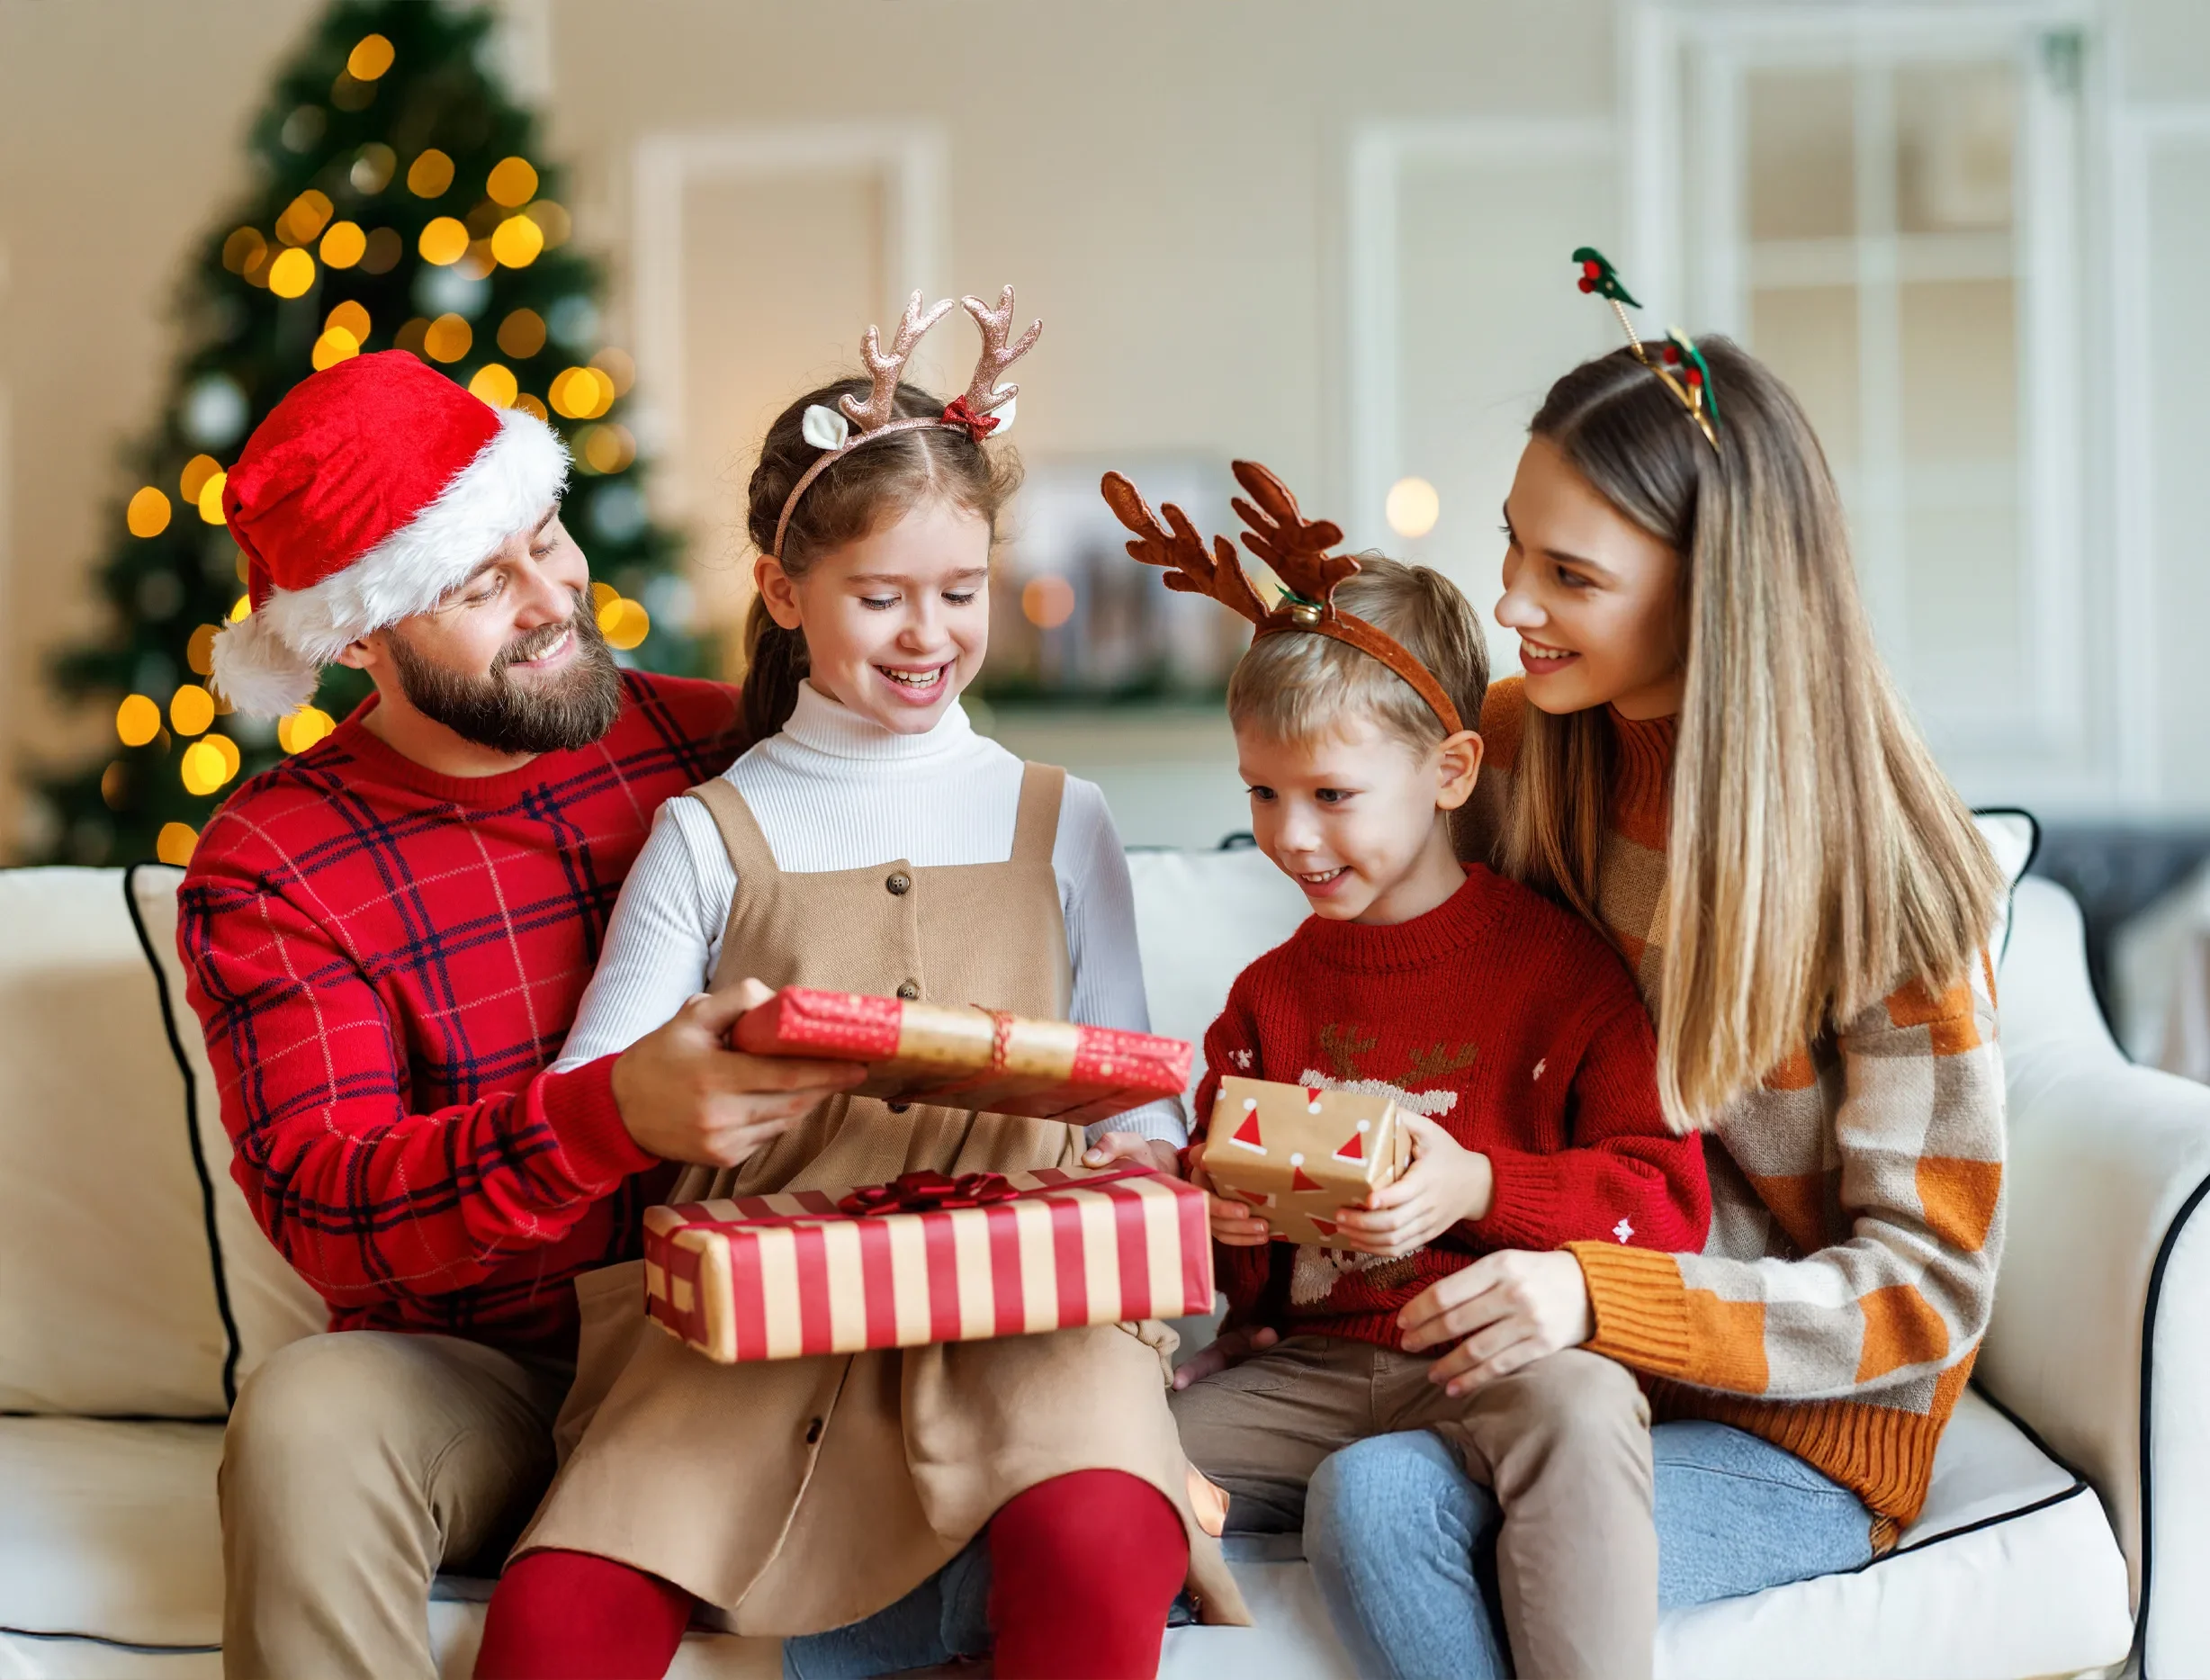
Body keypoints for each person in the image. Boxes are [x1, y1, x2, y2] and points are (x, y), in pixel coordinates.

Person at [472, 292, 1245, 1680]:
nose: (925, 636)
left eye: (960, 594)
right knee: (556, 1618)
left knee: (1098, 1546)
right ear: (782, 592)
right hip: (756, 1329)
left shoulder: (1062, 816)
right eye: (878, 598)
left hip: (1028, 1316)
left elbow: (1136, 1107)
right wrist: (687, 1087)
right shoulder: (708, 831)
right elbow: (597, 1096)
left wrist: (1163, 1215)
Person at [1300, 332, 2008, 1678]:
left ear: (1720, 593)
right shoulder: (1516, 752)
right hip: (1576, 1375)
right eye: (1514, 544)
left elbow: (1927, 1287)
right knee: (1367, 1496)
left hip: (1798, 1427)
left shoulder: (1891, 878)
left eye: (1570, 576)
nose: (1509, 601)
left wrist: (1594, 1292)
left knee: (1402, 1513)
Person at [178, 350, 866, 1680]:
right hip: (481, 1367)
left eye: (546, 541)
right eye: (482, 582)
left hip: (747, 1350)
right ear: (358, 635)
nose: (556, 601)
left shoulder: (728, 745)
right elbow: (330, 1213)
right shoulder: (272, 863)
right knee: (305, 1415)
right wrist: (599, 1120)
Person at [1113, 463, 1708, 1680]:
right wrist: (1218, 1210)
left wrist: (1480, 1185)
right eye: (1263, 795)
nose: (1289, 835)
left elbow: (1668, 1203)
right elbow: (1241, 1272)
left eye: (1331, 795)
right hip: (1314, 1369)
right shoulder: (1268, 998)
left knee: (1587, 1409)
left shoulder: (1561, 971)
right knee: (1107, 1447)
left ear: (1449, 771)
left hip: (1503, 1350)